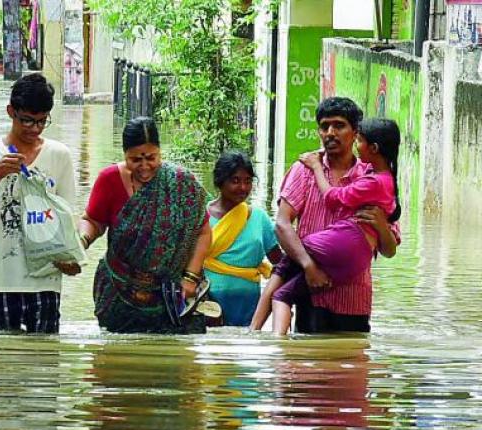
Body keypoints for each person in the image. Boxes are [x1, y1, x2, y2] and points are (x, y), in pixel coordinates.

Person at [250, 97, 399, 334]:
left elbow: (389, 250)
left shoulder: (371, 177)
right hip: (311, 295)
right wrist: (309, 267)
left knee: (350, 367)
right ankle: (256, 336)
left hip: (353, 297)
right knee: (305, 365)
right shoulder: (305, 169)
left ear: (355, 132)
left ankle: (255, 332)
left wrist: (381, 226)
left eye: (339, 125)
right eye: (324, 126)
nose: (330, 133)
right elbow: (281, 224)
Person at [0, 73, 79, 334]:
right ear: (10, 112)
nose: (34, 129)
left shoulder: (59, 155)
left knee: (45, 362)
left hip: (44, 280)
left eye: (41, 121)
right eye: (26, 120)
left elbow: (68, 218)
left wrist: (72, 256)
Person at [78, 116, 211, 333]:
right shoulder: (109, 179)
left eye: (151, 158)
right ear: (124, 155)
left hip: (172, 296)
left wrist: (191, 278)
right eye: (135, 160)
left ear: (160, 151)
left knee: (174, 362)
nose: (144, 166)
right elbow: (93, 221)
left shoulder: (181, 183)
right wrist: (81, 241)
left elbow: (203, 232)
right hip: (120, 294)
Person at [203, 152, 282, 326]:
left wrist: (280, 303)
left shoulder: (259, 218)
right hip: (207, 305)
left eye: (248, 181)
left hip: (249, 307)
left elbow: (281, 265)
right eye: (235, 181)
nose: (243, 188)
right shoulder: (200, 216)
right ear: (220, 181)